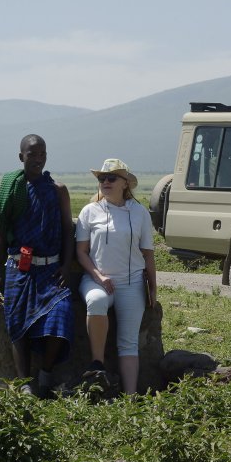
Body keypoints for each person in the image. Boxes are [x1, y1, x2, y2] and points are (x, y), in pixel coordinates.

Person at [0, 134, 74, 398]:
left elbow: (67, 230)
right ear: (21, 157)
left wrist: (67, 266)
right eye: (32, 154)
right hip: (19, 268)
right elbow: (1, 233)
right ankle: (25, 384)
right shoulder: (13, 190)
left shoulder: (57, 190)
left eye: (42, 154)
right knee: (17, 325)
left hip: (50, 270)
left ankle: (46, 374)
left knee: (61, 313)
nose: (38, 159)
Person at [76, 158, 157, 394]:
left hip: (132, 283)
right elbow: (81, 252)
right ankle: (97, 364)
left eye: (111, 178)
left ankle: (130, 398)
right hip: (96, 280)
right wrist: (98, 276)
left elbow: (148, 254)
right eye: (102, 178)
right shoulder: (89, 211)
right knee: (96, 300)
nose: (105, 182)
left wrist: (153, 288)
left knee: (128, 343)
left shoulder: (140, 213)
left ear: (125, 183)